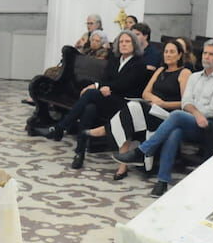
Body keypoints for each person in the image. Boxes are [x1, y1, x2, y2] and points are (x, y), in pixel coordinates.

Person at [114, 39, 213, 197]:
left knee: (176, 116)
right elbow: (185, 102)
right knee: (174, 131)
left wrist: (194, 112)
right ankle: (162, 181)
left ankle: (143, 151)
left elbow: (211, 111)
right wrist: (194, 112)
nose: (207, 57)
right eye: (205, 53)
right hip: (191, 120)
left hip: (211, 127)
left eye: (212, 54)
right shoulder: (195, 77)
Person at [36, 30, 149, 168]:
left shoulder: (139, 63)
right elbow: (105, 78)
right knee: (90, 109)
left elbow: (126, 83)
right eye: (121, 42)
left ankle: (60, 128)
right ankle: (79, 153)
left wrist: (103, 87)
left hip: (126, 103)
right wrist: (102, 86)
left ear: (134, 45)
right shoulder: (115, 59)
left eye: (127, 42)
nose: (123, 44)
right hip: (109, 99)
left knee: (90, 94)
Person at [108, 40, 191, 181]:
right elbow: (145, 93)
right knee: (131, 108)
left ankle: (107, 131)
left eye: (172, 52)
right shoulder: (160, 70)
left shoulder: (184, 73)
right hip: (153, 109)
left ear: (180, 55)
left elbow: (185, 103)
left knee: (132, 109)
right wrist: (155, 99)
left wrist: (164, 103)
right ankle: (127, 162)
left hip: (170, 115)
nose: (168, 55)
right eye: (166, 51)